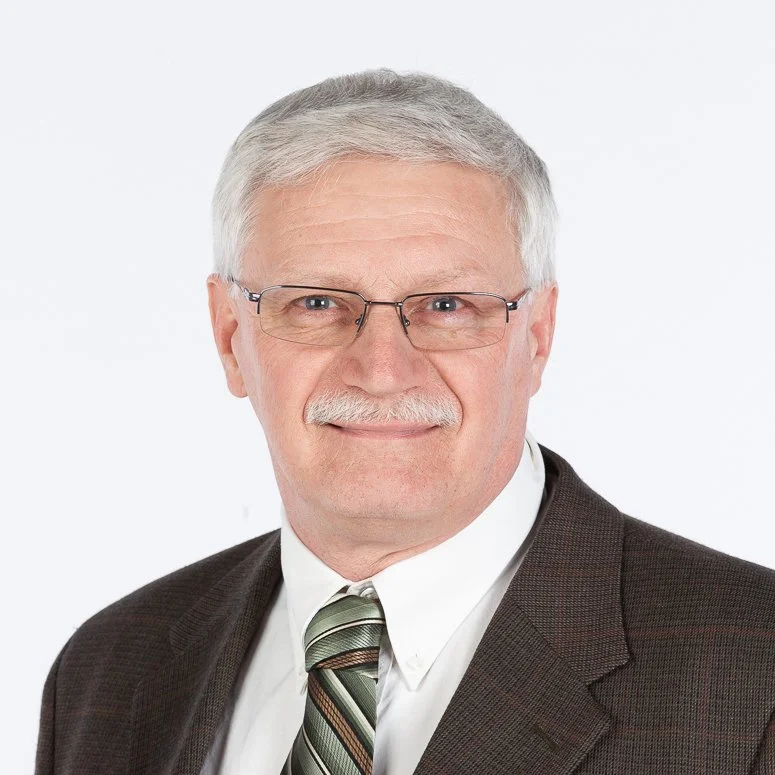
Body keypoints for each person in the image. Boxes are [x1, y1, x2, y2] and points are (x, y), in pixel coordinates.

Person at [36, 69, 775, 775]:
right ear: (230, 336)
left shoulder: (754, 668)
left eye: (447, 304)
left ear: (537, 337)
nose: (382, 368)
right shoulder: (109, 670)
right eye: (317, 303)